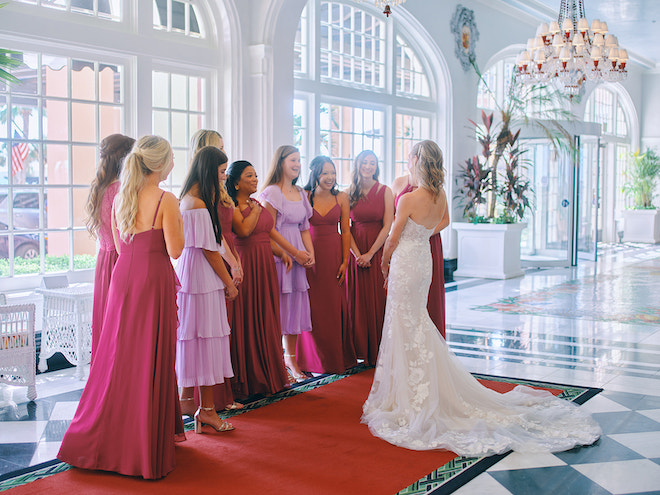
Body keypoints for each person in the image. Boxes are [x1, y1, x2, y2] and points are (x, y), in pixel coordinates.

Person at [362, 140, 601, 456]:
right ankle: (418, 389)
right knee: (415, 321)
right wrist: (423, 234)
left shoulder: (408, 198)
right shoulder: (439, 195)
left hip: (407, 262)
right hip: (423, 262)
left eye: (409, 157)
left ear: (417, 160)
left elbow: (392, 239)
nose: (407, 161)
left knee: (403, 323)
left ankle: (409, 396)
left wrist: (383, 263)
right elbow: (442, 223)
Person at [58, 135, 186, 479]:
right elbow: (175, 251)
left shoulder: (120, 199)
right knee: (149, 355)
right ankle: (141, 442)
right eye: (171, 158)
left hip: (123, 278)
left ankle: (109, 434)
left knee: (119, 356)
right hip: (153, 280)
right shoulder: (167, 200)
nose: (174, 163)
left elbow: (118, 246)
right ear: (158, 164)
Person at [176, 146, 238, 433]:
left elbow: (213, 243)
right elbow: (209, 250)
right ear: (209, 171)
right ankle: (208, 410)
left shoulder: (188, 200)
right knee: (208, 338)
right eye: (222, 172)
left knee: (194, 337)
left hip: (192, 272)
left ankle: (188, 400)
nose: (225, 178)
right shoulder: (198, 205)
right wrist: (228, 282)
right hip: (202, 273)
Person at [226, 160, 302, 398]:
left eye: (256, 175)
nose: (255, 179)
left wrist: (281, 252)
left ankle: (270, 371)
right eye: (249, 176)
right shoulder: (232, 206)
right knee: (249, 315)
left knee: (267, 315)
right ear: (236, 182)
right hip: (247, 263)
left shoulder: (254, 202)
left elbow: (265, 233)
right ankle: (249, 376)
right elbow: (244, 231)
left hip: (265, 264)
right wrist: (258, 210)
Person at [259, 145, 314, 382]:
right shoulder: (271, 192)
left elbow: (304, 228)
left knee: (294, 306)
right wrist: (293, 253)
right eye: (293, 160)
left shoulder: (301, 193)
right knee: (278, 307)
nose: (297, 164)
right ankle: (277, 360)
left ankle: (291, 358)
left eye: (299, 160)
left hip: (299, 257)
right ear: (280, 162)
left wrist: (309, 253)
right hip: (279, 255)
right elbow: (267, 229)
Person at [297, 156, 356, 374]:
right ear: (315, 174)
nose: (330, 177)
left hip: (333, 254)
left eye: (332, 172)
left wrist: (345, 261)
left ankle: (335, 359)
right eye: (325, 173)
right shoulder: (304, 196)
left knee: (332, 306)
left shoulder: (341, 197)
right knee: (311, 308)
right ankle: (309, 361)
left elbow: (346, 231)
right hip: (310, 256)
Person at [85, 133, 135, 360]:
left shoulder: (100, 187)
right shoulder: (120, 191)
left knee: (107, 320)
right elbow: (125, 236)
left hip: (104, 260)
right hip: (119, 259)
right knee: (122, 325)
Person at [346, 150, 394, 366]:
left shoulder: (385, 191)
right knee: (355, 300)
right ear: (357, 165)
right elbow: (344, 227)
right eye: (364, 162)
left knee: (378, 299)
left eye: (372, 163)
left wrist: (371, 254)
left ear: (377, 166)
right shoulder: (348, 193)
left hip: (377, 249)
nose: (368, 166)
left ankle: (378, 349)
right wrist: (358, 255)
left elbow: (388, 225)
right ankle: (357, 349)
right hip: (354, 251)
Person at [392, 167, 448, 338]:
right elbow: (393, 216)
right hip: (402, 246)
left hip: (428, 242)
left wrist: (420, 233)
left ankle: (430, 337)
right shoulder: (398, 183)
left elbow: (445, 220)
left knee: (427, 295)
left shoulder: (437, 190)